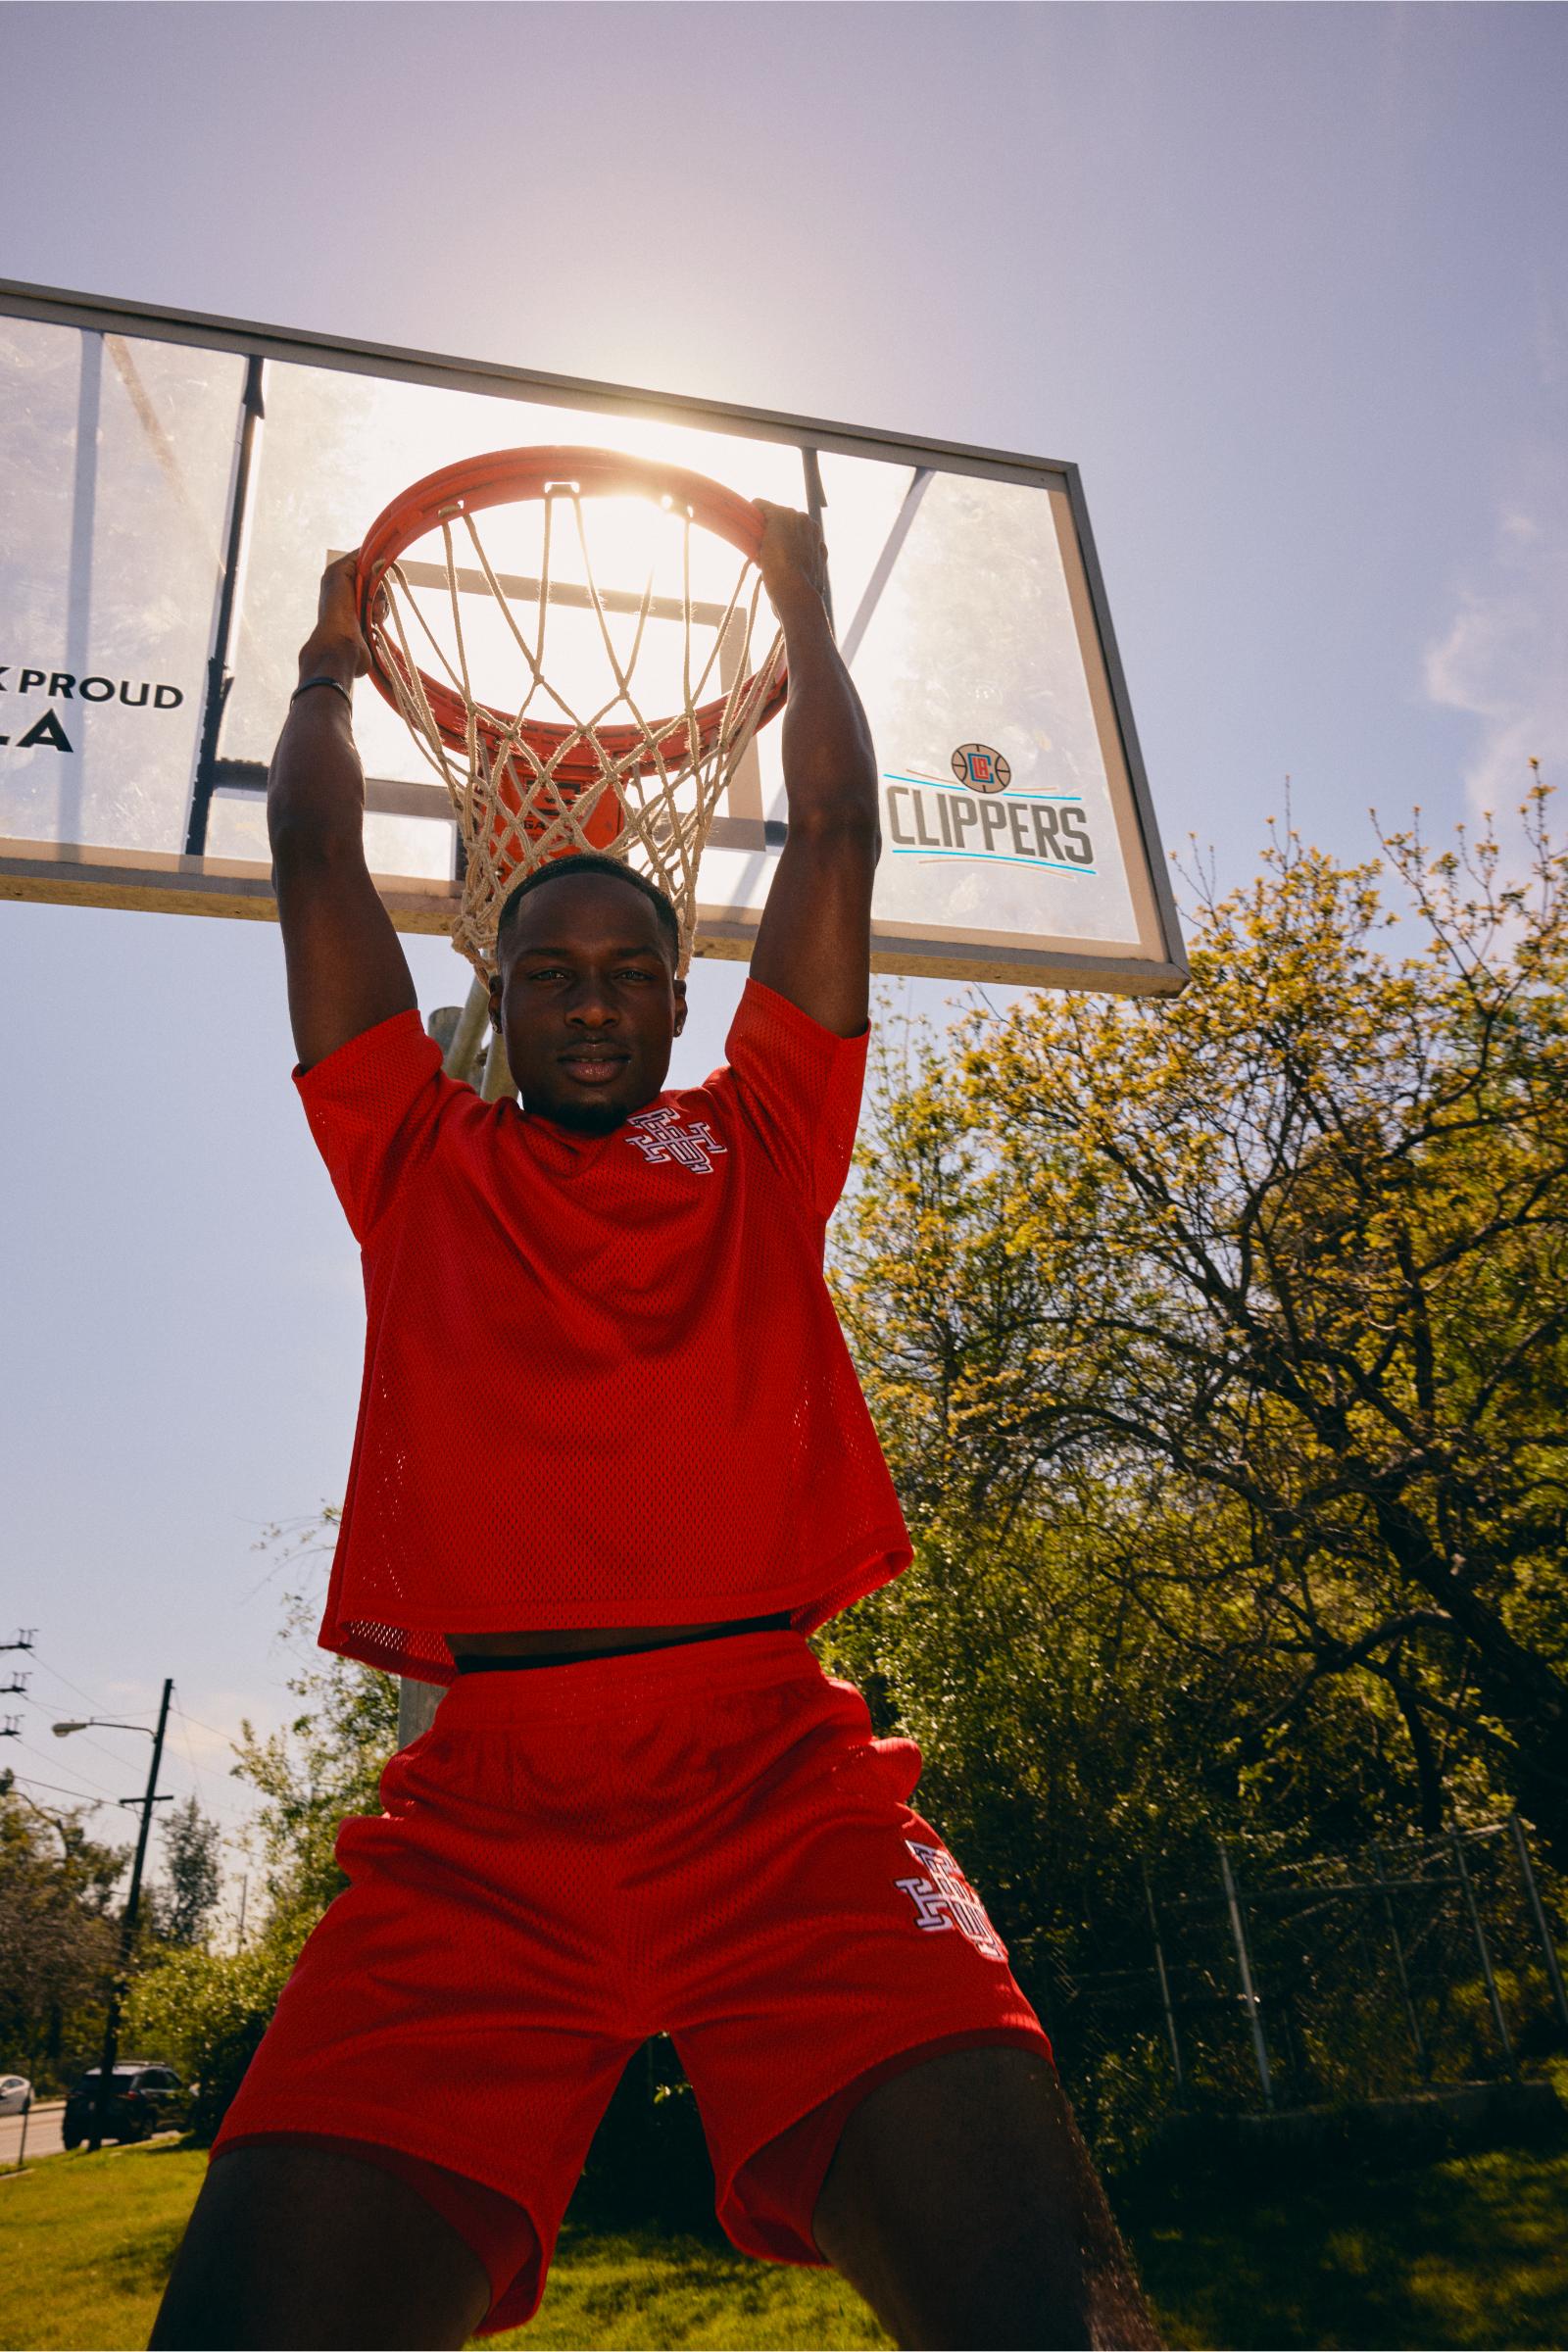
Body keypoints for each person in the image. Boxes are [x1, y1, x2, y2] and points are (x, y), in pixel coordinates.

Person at [151, 507, 1158, 2352]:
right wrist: (322, 654)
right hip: (482, 1817)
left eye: (626, 969)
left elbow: (837, 829)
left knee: (1066, 2325)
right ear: (501, 995)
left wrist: (795, 600)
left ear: (685, 994)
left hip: (779, 1775)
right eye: (552, 973)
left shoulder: (767, 1138)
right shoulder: (415, 1156)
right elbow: (310, 854)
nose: (592, 996)